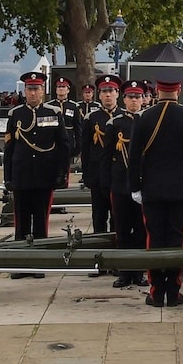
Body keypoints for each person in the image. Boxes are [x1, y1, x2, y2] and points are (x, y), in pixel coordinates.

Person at [127, 70, 183, 307]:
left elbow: (133, 158)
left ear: (157, 90)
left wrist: (135, 188)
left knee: (154, 239)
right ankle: (173, 291)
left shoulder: (143, 117)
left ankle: (156, 291)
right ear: (178, 90)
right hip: (181, 189)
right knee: (177, 238)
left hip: (151, 189)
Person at [2, 70, 72, 278]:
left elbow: (63, 145)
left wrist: (62, 173)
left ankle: (40, 262)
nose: (33, 93)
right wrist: (8, 176)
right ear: (24, 91)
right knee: (21, 221)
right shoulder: (15, 114)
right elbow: (9, 148)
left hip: (44, 173)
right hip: (22, 174)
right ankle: (20, 263)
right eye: (30, 89)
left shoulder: (53, 113)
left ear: (43, 90)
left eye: (37, 88)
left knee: (41, 221)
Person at [105, 82, 148, 289]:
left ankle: (139, 271)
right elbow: (106, 156)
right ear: (124, 99)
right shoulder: (115, 124)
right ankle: (124, 272)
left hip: (143, 184)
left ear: (143, 99)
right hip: (120, 183)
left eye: (137, 97)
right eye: (130, 97)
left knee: (141, 230)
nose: (134, 101)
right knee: (121, 229)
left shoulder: (149, 121)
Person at [79, 75, 120, 240]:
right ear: (99, 95)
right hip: (97, 175)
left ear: (117, 93)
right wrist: (86, 174)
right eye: (104, 91)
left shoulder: (124, 117)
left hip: (118, 175)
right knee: (99, 217)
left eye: (111, 91)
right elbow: (86, 149)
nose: (108, 95)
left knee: (118, 218)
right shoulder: (91, 119)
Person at [45, 76, 80, 188]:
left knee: (65, 168)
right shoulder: (49, 106)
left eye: (63, 87)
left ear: (68, 90)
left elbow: (78, 127)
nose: (61, 89)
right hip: (53, 142)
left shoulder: (74, 106)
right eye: (59, 87)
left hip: (68, 142)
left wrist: (78, 146)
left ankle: (64, 187)